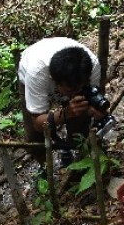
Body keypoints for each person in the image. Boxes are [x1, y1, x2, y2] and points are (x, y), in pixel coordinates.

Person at [17, 37, 102, 175]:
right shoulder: (36, 74)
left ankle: (75, 158)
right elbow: (38, 123)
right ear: (53, 79)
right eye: (70, 91)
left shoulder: (92, 66)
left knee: (80, 120)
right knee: (35, 136)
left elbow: (92, 98)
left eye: (78, 88)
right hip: (31, 73)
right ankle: (44, 167)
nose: (73, 94)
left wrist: (93, 110)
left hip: (66, 75)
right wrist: (66, 114)